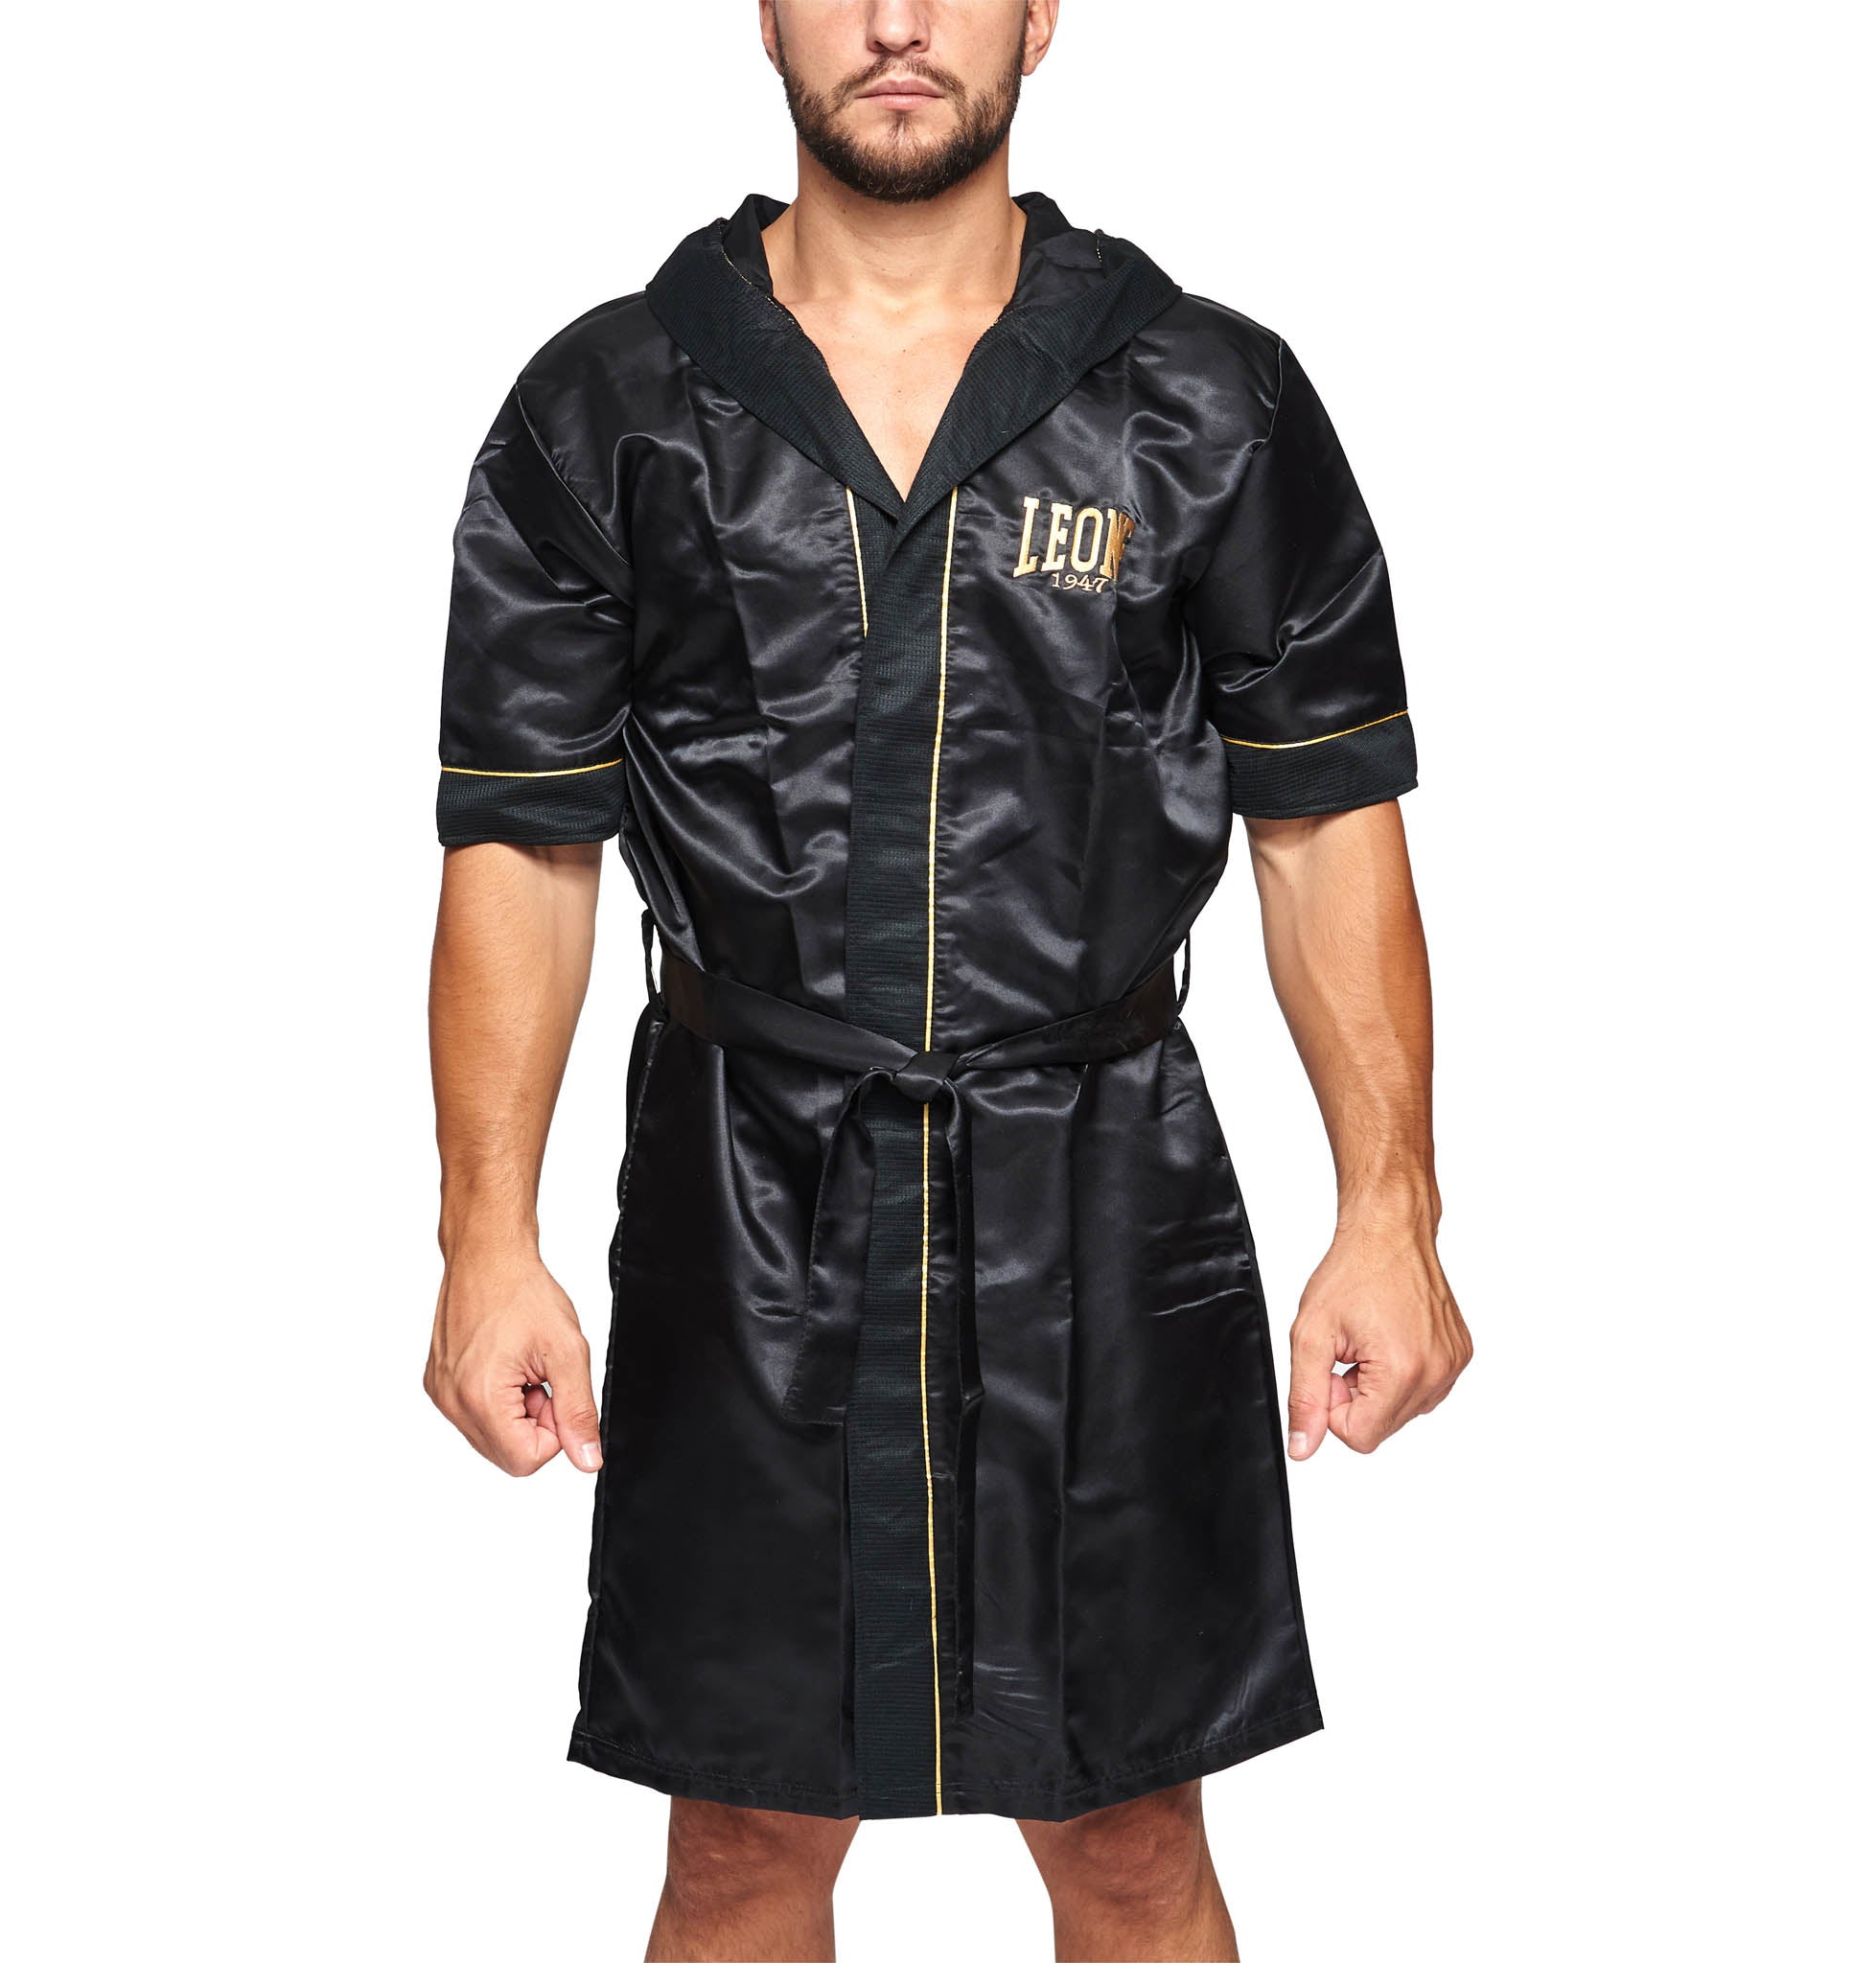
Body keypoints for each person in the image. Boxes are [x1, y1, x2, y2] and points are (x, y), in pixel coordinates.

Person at [425, 2, 1472, 1955]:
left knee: (1129, 1831)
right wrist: (486, 1237)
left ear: (1039, 13)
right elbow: (523, 845)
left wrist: (1391, 1210)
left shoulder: (1204, 398)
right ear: (764, 11)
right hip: (746, 1209)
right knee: (742, 1839)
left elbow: (1325, 820)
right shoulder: (613, 403)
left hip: (1103, 1200)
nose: (897, 21)